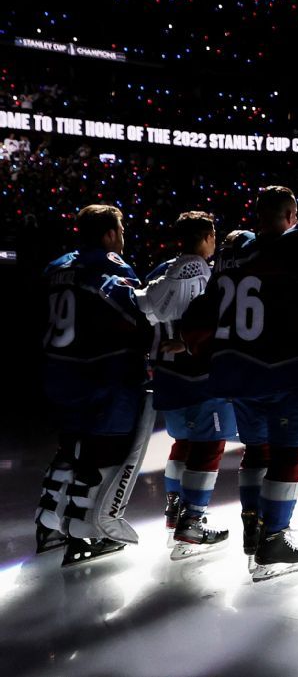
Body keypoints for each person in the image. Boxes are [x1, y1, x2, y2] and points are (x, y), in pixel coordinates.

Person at [181, 186, 298, 582]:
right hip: (283, 367)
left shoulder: (231, 252)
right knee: (292, 454)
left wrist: (201, 349)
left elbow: (201, 313)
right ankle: (274, 539)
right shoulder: (293, 248)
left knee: (257, 451)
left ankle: (253, 531)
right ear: (292, 215)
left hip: (236, 370)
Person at [35, 204, 154, 566]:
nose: (123, 237)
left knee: (69, 447)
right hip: (103, 373)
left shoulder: (57, 266)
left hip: (58, 372)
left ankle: (48, 525)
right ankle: (87, 534)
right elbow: (132, 312)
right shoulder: (111, 265)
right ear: (107, 235)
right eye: (120, 230)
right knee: (104, 453)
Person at [136, 211, 238, 560]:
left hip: (167, 375)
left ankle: (175, 512)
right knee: (209, 445)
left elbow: (145, 309)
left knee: (183, 443)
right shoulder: (205, 274)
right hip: (200, 373)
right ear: (208, 234)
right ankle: (192, 521)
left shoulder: (158, 272)